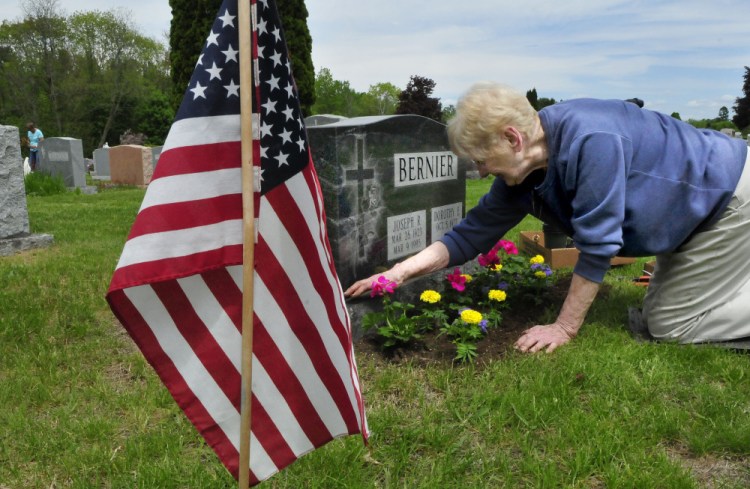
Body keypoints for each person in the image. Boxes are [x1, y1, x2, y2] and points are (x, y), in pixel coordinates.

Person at [344, 81, 749, 353]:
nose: (482, 172)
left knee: (671, 326)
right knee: (659, 309)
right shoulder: (523, 177)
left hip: (724, 198)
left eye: (483, 160)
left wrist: (565, 327)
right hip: (687, 214)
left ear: (512, 138)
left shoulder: (591, 140)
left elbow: (597, 245)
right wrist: (397, 273)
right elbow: (469, 236)